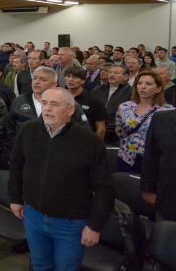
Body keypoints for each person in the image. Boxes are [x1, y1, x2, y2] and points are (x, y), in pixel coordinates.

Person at [9, 88, 114, 271]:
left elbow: (105, 187)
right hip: (33, 215)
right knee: (40, 265)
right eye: (44, 103)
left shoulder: (89, 141)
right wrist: (15, 198)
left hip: (70, 223)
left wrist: (95, 225)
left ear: (70, 110)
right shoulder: (28, 130)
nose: (47, 109)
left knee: (66, 268)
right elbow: (16, 166)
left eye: (55, 104)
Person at [141, 77, 176, 223]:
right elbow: (151, 157)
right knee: (166, 241)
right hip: (168, 198)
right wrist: (148, 189)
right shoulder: (161, 119)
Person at [115, 70, 174, 173]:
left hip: (152, 160)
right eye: (139, 83)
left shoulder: (168, 111)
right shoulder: (124, 107)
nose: (143, 87)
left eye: (148, 84)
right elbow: (119, 130)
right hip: (126, 156)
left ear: (158, 89)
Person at [92, 65, 132, 146]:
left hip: (116, 135)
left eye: (116, 73)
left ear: (126, 77)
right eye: (110, 72)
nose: (112, 75)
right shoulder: (97, 89)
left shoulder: (131, 92)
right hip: (95, 131)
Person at [64, 66, 107, 140]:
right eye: (68, 76)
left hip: (85, 141)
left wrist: (95, 147)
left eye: (75, 77)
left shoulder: (94, 100)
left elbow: (101, 128)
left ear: (83, 81)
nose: (70, 80)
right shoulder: (58, 98)